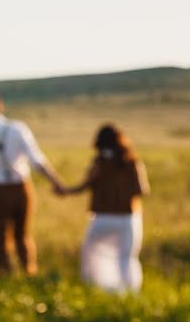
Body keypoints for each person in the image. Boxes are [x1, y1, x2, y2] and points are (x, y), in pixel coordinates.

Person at [0, 92, 63, 275]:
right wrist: (56, 182)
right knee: (23, 235)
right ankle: (29, 272)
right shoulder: (17, 128)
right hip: (21, 188)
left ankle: (4, 278)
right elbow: (36, 159)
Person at [58, 124, 150, 293]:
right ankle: (129, 293)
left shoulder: (99, 163)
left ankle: (97, 288)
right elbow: (142, 190)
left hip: (102, 218)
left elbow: (84, 185)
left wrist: (66, 190)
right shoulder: (131, 162)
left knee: (91, 254)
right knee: (126, 258)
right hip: (128, 218)